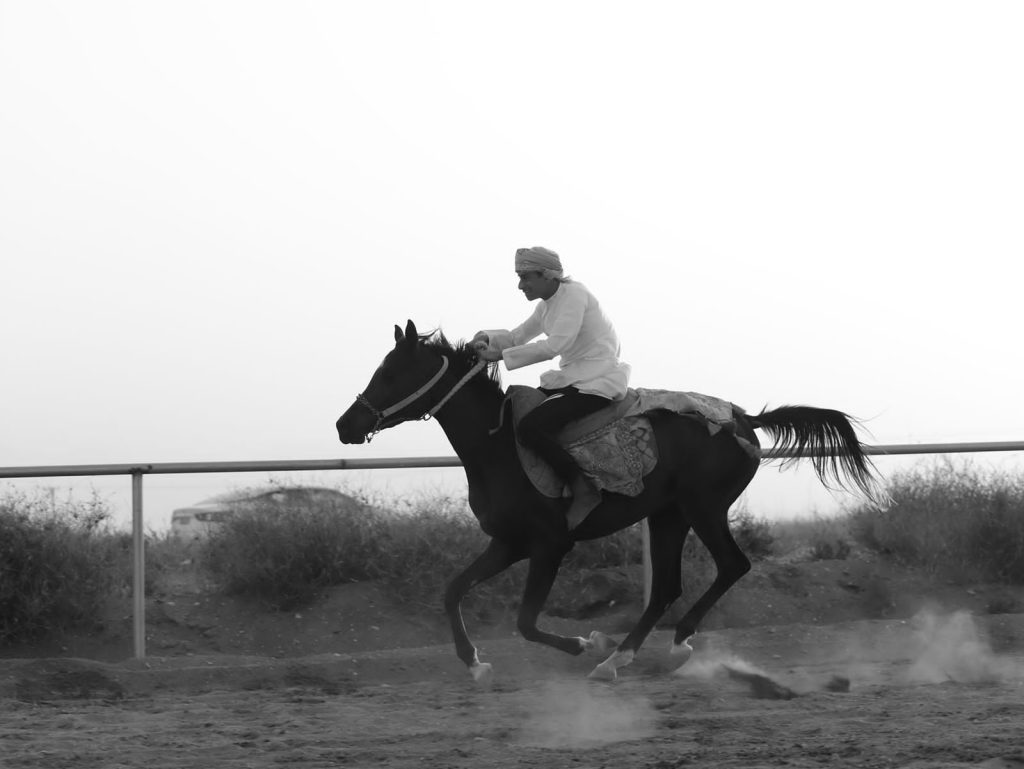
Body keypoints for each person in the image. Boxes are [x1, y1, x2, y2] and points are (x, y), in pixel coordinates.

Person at [472, 246, 631, 529]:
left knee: (531, 428)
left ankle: (583, 490)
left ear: (546, 275)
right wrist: (488, 338)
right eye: (519, 278)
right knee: (513, 416)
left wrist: (500, 356)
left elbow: (555, 345)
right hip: (572, 378)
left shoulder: (575, 295)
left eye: (525, 277)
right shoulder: (546, 305)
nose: (520, 286)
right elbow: (517, 336)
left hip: (597, 380)